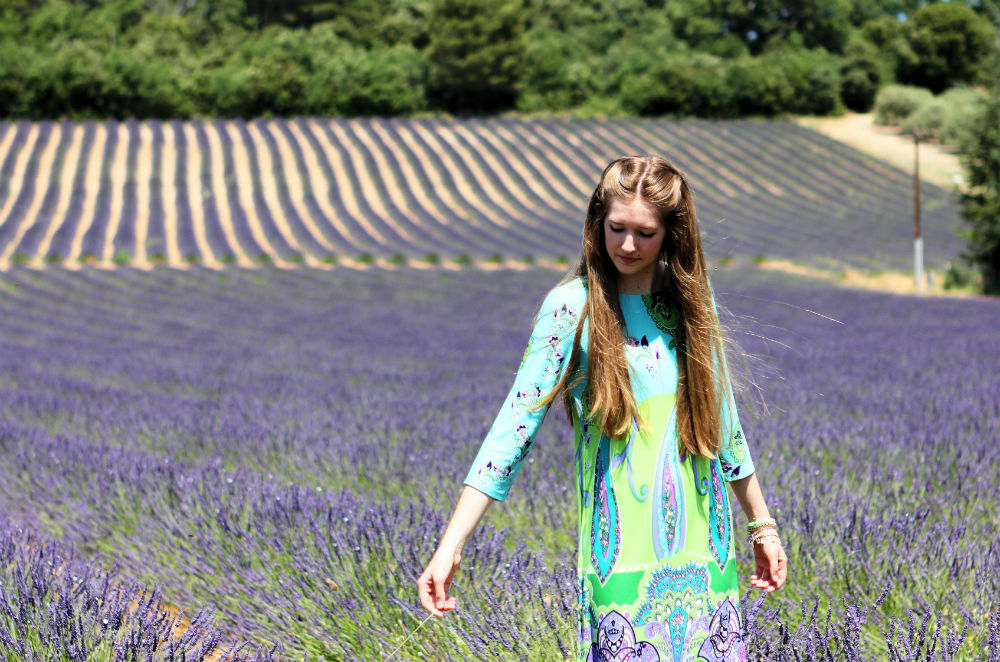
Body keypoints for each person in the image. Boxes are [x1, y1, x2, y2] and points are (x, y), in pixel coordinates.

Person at [417, 155, 787, 662]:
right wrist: (451, 546)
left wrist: (761, 525)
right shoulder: (571, 307)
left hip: (708, 550)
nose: (628, 245)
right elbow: (512, 431)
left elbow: (724, 424)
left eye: (645, 233)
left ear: (672, 234)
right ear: (597, 221)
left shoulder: (693, 302)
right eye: (617, 228)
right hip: (620, 561)